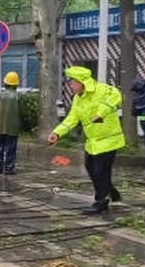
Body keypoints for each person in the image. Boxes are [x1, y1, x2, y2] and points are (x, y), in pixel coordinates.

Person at [47, 66, 125, 214]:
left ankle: (101, 201)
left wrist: (101, 112)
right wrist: (57, 133)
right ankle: (110, 191)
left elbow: (116, 95)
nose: (71, 86)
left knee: (100, 171)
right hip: (93, 141)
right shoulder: (78, 99)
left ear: (82, 82)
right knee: (91, 168)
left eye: (73, 83)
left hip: (109, 139)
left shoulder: (102, 90)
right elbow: (72, 118)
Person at [0, 71, 21, 175]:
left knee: (0, 147)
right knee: (11, 149)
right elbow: (21, 112)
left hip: (1, 127)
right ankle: (9, 168)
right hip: (13, 128)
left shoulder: (1, 96)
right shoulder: (18, 97)